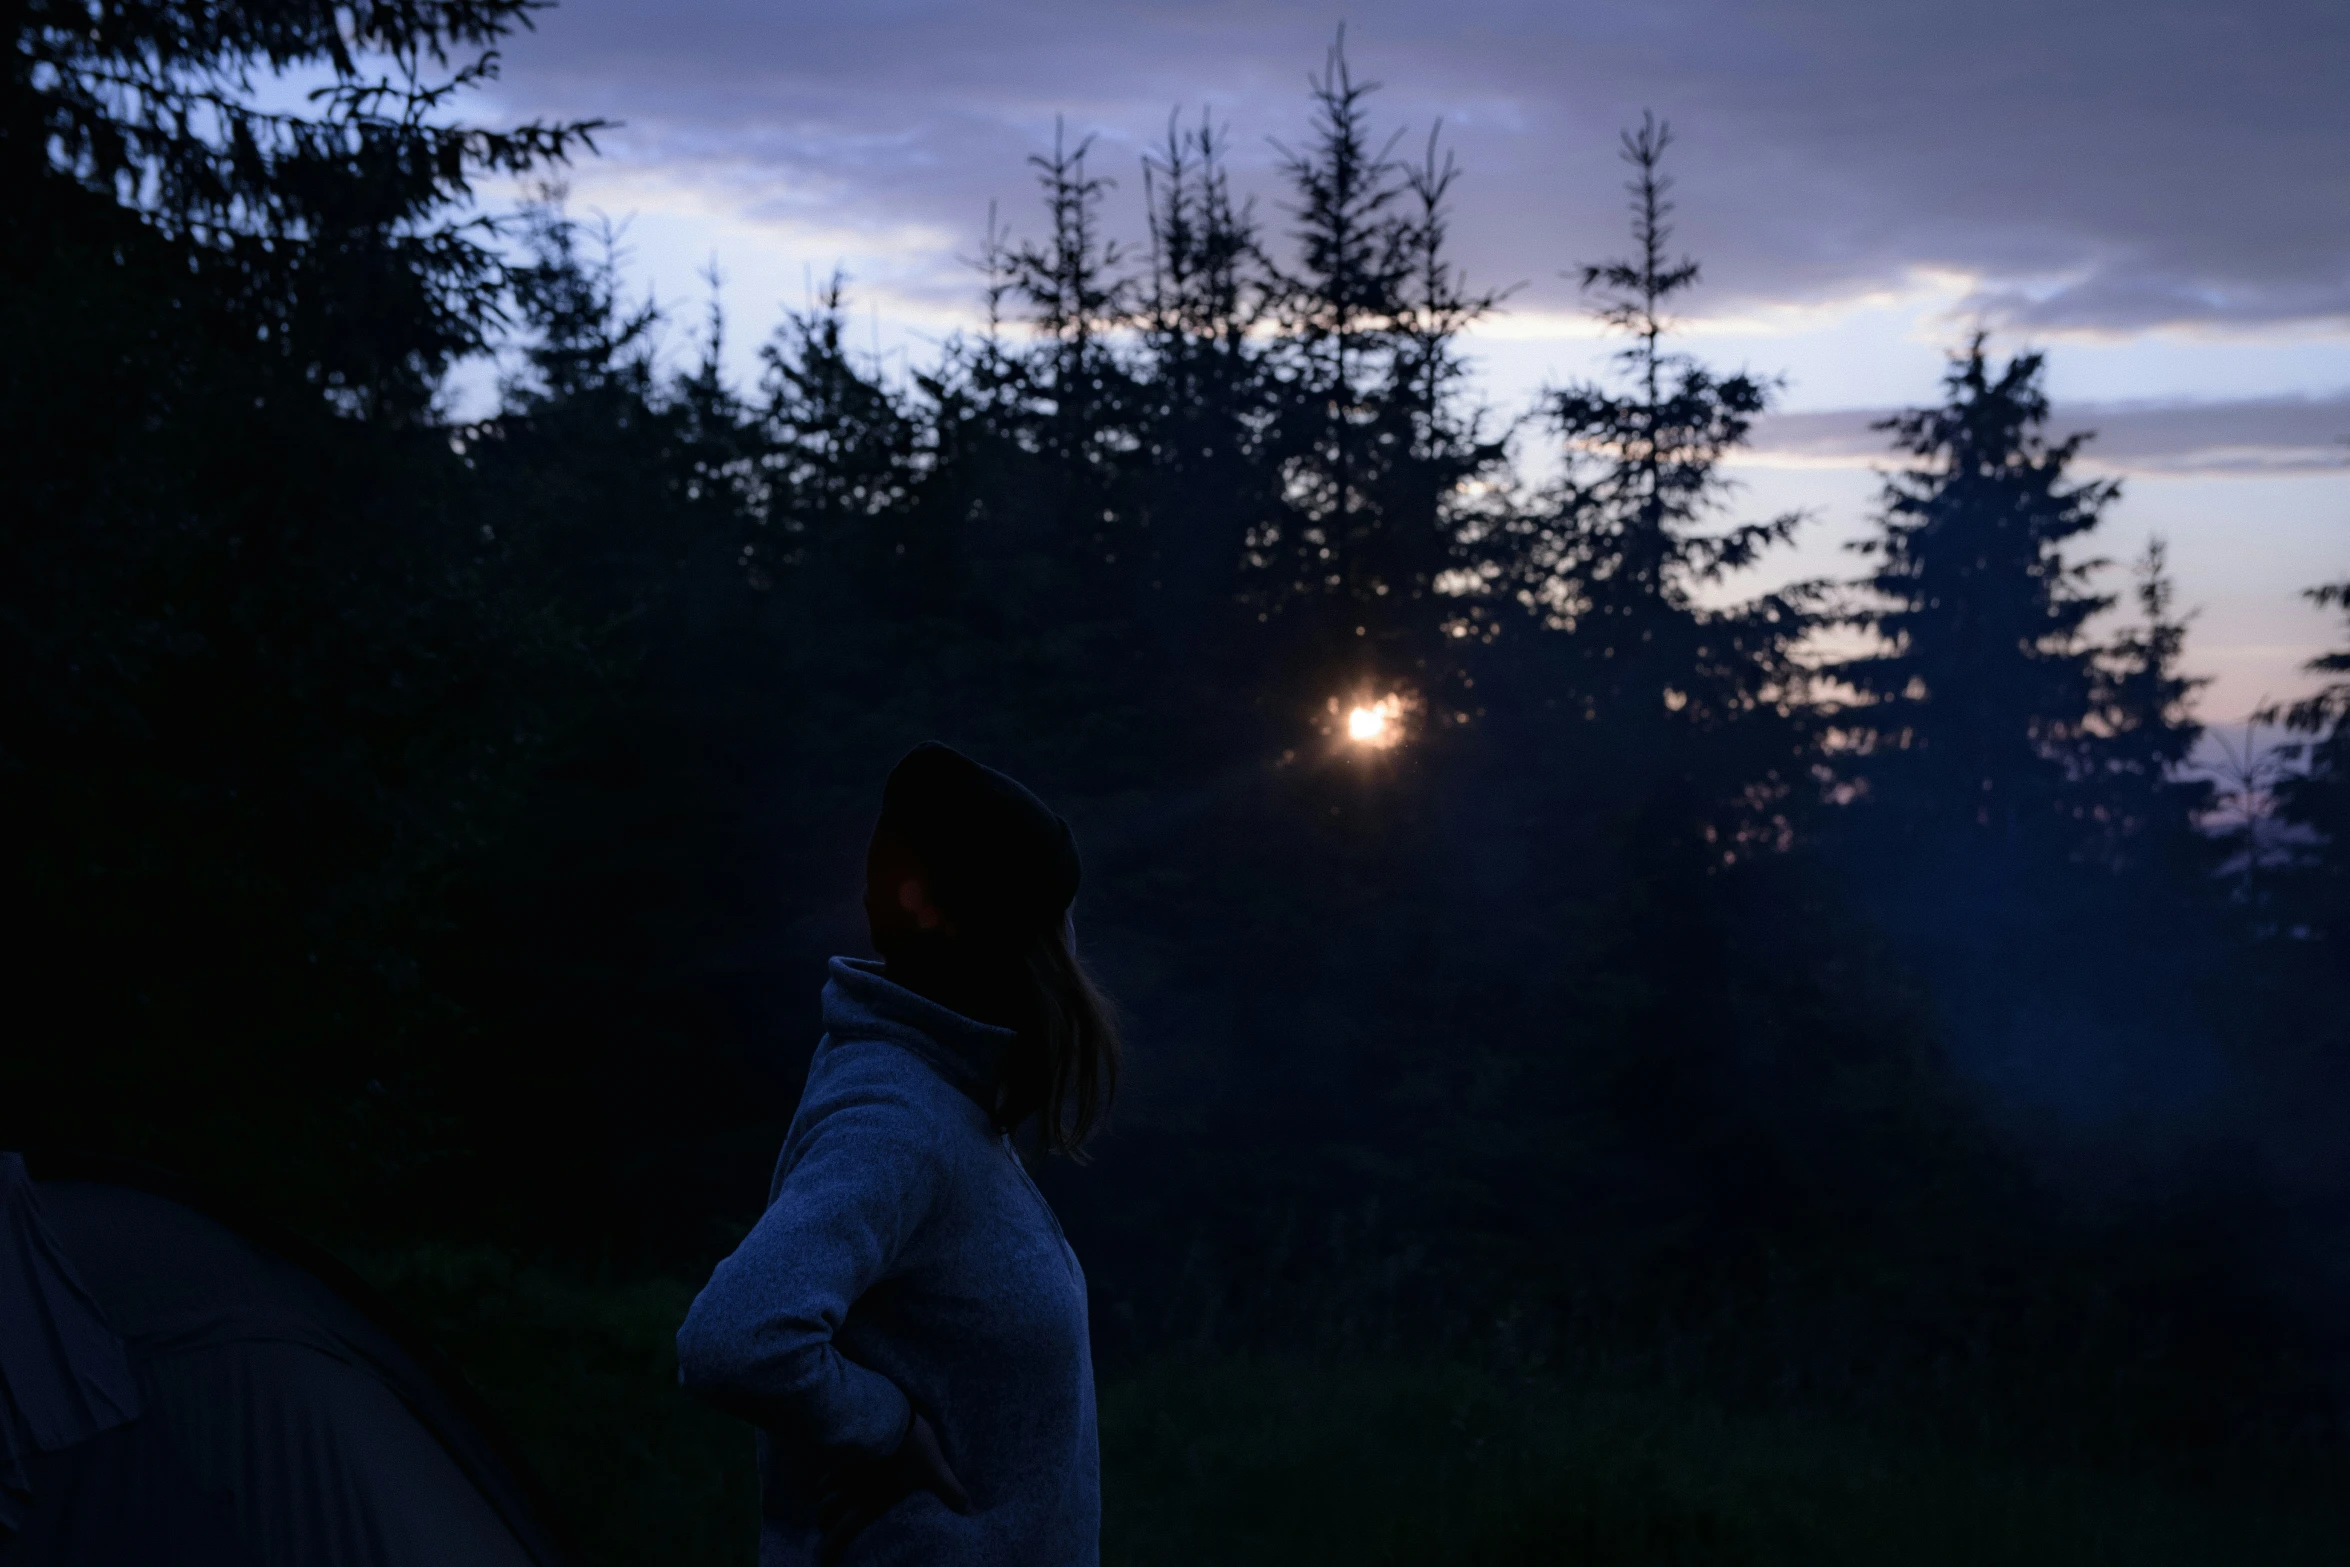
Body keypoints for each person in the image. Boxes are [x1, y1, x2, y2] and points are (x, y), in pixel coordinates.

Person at [677, 743, 1120, 1567]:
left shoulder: (944, 1099)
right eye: (1060, 915)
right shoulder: (898, 1117)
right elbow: (733, 1337)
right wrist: (886, 1428)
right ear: (1020, 938)